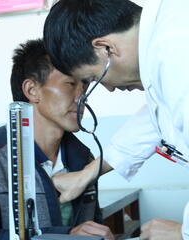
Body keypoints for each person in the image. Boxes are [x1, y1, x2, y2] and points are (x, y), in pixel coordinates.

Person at [43, 0, 189, 239]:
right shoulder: (167, 39)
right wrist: (87, 174)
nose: (109, 88)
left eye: (94, 77)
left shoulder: (177, 53)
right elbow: (154, 119)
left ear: (106, 48)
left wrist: (182, 232)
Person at [0, 39, 114, 240]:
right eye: (71, 84)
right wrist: (66, 235)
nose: (82, 97)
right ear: (32, 90)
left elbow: (90, 226)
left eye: (84, 85)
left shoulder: (84, 158)